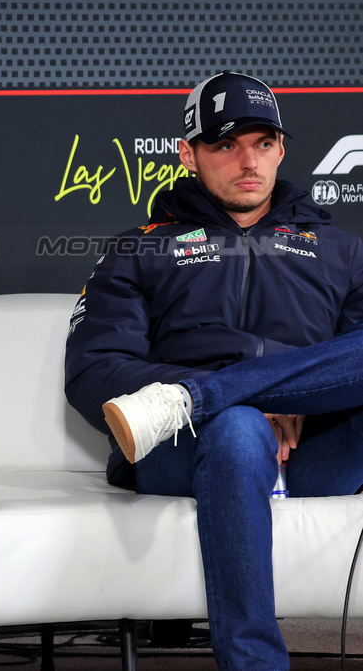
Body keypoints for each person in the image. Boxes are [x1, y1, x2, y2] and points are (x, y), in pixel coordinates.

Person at [65, 70, 363, 671]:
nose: (247, 162)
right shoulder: (139, 248)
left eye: (262, 143)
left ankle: (202, 394)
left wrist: (289, 395)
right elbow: (94, 371)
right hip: (189, 445)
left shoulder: (343, 251)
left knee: (245, 409)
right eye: (225, 145)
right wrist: (249, 405)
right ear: (188, 154)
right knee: (238, 428)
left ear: (281, 149)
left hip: (317, 444)